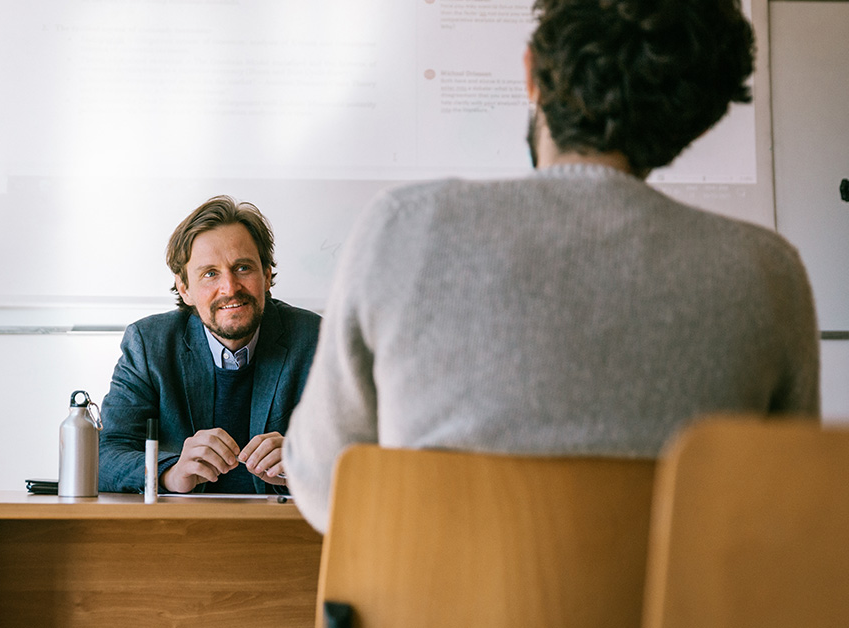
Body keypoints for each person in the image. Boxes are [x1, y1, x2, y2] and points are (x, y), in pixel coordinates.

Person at [283, 0, 820, 533]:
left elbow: (324, 483)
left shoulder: (401, 227)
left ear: (531, 74)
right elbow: (787, 510)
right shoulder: (767, 275)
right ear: (691, 118)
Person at [99, 195, 321, 494]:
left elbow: (361, 449)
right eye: (210, 273)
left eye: (243, 268)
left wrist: (306, 466)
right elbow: (105, 454)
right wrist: (171, 473)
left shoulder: (316, 340)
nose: (229, 288)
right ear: (185, 289)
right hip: (180, 531)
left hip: (283, 530)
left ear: (267, 276)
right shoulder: (149, 344)